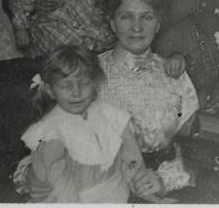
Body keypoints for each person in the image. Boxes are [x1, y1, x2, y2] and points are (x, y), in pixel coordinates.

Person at [15, 45, 163, 203]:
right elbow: (57, 186)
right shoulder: (51, 129)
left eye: (84, 83)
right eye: (66, 86)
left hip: (117, 196)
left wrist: (142, 188)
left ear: (94, 84)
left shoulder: (109, 113)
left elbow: (132, 158)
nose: (76, 92)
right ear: (50, 90)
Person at [98, 0, 199, 199]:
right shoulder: (92, 74)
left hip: (165, 183)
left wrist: (163, 180)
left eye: (147, 17)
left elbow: (195, 149)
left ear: (158, 24)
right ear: (112, 22)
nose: (137, 27)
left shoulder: (173, 73)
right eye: (126, 17)